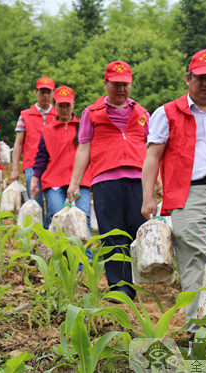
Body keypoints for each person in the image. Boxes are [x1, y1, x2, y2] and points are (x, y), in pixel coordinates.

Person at [141, 48, 206, 335]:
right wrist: (148, 196)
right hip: (188, 195)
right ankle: (197, 332)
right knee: (195, 261)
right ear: (188, 78)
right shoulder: (167, 112)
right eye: (200, 78)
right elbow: (152, 156)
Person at [67, 61, 149, 301]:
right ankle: (120, 287)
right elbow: (84, 148)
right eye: (116, 85)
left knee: (137, 228)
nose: (121, 89)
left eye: (125, 85)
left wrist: (157, 181)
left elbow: (152, 149)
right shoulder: (91, 113)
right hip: (105, 179)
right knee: (112, 232)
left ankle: (139, 279)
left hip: (138, 178)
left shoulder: (142, 112)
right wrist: (75, 183)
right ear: (106, 84)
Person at [29, 86, 93, 229]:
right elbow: (41, 157)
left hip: (81, 180)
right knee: (57, 215)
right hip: (54, 180)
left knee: (82, 216)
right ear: (55, 105)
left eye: (67, 106)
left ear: (73, 105)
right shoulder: (47, 130)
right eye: (61, 106)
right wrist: (34, 179)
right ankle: (58, 250)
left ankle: (83, 252)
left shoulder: (84, 126)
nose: (64, 110)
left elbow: (92, 153)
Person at [11, 76, 58, 225]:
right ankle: (39, 238)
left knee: (54, 203)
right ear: (36, 92)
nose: (45, 95)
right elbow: (18, 143)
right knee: (35, 203)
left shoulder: (59, 114)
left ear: (53, 94)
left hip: (54, 165)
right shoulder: (25, 115)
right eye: (42, 92)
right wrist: (15, 169)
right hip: (31, 164)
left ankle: (52, 236)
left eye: (48, 92)